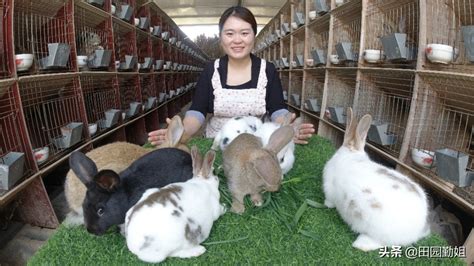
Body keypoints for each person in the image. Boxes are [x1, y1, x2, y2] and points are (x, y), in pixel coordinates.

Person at [148, 6, 314, 146]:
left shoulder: (267, 70)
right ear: (221, 38)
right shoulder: (211, 70)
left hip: (255, 144)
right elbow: (197, 111)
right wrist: (181, 131)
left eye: (244, 33)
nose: (237, 40)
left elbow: (277, 109)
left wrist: (287, 127)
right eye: (229, 33)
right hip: (216, 143)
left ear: (253, 37)